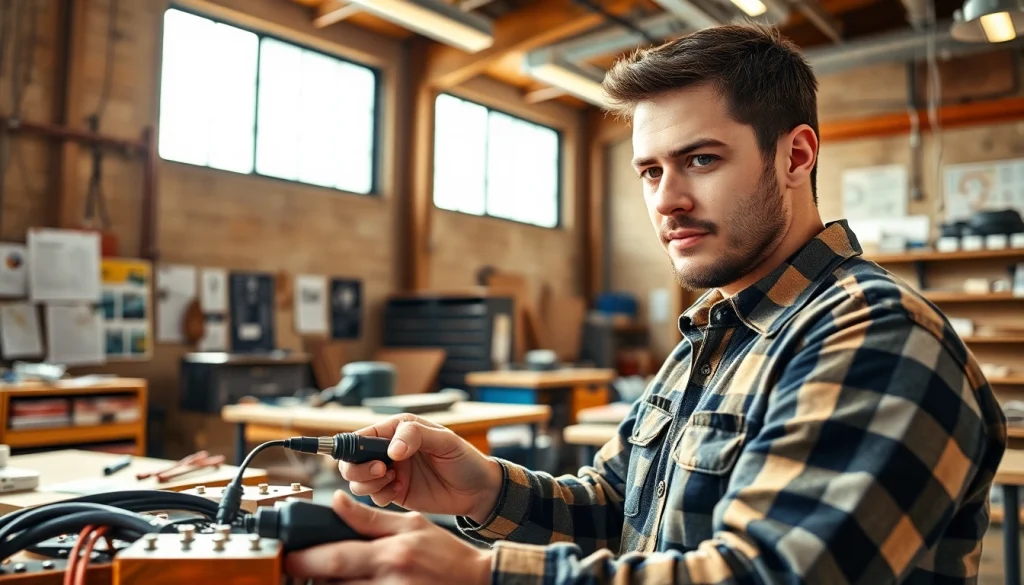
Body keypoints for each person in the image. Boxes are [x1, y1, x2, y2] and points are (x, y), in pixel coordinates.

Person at [284, 23, 1007, 585]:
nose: (667, 200)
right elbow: (617, 507)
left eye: (701, 159)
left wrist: (480, 574)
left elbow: (770, 574)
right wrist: (484, 489)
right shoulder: (716, 334)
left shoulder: (876, 334)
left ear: (795, 156)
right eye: (651, 171)